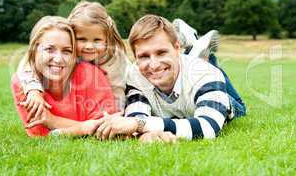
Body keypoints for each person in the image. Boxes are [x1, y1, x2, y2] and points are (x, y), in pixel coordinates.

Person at [96, 15, 245, 142]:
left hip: (212, 87)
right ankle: (193, 49)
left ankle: (201, 53)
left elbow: (208, 126)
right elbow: (136, 116)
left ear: (177, 48)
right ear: (135, 58)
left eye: (161, 52)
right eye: (143, 56)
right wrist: (147, 133)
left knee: (239, 109)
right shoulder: (135, 74)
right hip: (184, 71)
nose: (153, 65)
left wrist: (139, 125)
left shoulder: (206, 73)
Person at [17, 1, 130, 124]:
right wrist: (33, 90)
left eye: (97, 40)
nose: (89, 46)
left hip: (128, 92)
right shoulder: (67, 49)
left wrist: (117, 118)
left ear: (107, 40)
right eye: (81, 39)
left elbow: (118, 91)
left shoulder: (115, 60)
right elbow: (27, 66)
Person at [11, 16, 118, 137]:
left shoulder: (91, 75)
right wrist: (83, 127)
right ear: (34, 50)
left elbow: (106, 128)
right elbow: (39, 134)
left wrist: (52, 121)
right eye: (49, 49)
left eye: (67, 51)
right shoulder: (23, 83)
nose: (58, 59)